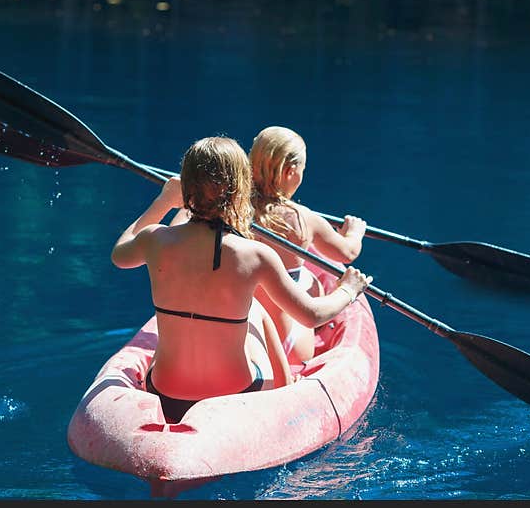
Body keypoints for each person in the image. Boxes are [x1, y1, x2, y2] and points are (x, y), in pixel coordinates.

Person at [110, 136, 371, 423]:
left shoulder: (155, 240)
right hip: (238, 394)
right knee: (256, 309)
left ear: (186, 187)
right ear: (240, 188)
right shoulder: (256, 256)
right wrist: (348, 290)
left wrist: (162, 201)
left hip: (166, 395)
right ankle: (286, 392)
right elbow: (311, 315)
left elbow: (119, 255)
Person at [248, 125, 367, 363]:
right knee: (311, 283)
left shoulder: (233, 210)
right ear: (292, 171)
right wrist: (355, 231)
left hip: (244, 336)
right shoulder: (304, 219)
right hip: (288, 345)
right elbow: (348, 253)